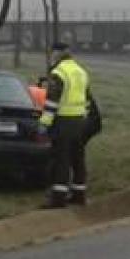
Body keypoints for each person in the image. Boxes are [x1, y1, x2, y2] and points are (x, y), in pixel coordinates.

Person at [39, 42, 93, 208]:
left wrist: (43, 124)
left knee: (61, 159)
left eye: (53, 52)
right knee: (78, 159)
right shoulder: (81, 72)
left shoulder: (58, 73)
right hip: (80, 122)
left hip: (63, 122)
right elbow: (88, 99)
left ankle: (58, 199)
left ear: (57, 53)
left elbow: (51, 103)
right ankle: (79, 194)